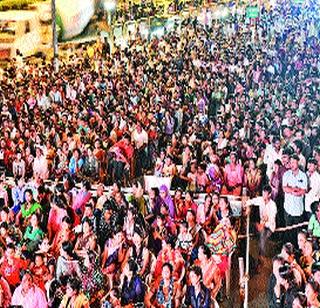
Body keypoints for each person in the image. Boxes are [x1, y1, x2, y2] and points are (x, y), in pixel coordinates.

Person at [245, 185, 277, 260]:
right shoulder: (260, 200)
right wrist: (246, 205)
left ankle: (262, 255)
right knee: (254, 228)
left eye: (265, 194)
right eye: (262, 194)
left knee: (262, 235)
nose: (263, 196)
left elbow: (271, 221)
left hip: (269, 227)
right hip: (261, 224)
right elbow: (251, 201)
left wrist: (262, 225)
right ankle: (256, 251)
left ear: (269, 195)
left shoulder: (273, 206)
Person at [282, 154, 308, 244]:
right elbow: (284, 188)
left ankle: (297, 249)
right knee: (289, 230)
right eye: (291, 162)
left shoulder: (303, 176)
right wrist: (294, 189)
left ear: (298, 162)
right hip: (288, 208)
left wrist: (292, 189)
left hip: (298, 209)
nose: (292, 164)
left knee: (298, 232)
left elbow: (303, 190)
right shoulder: (286, 174)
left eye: (294, 162)